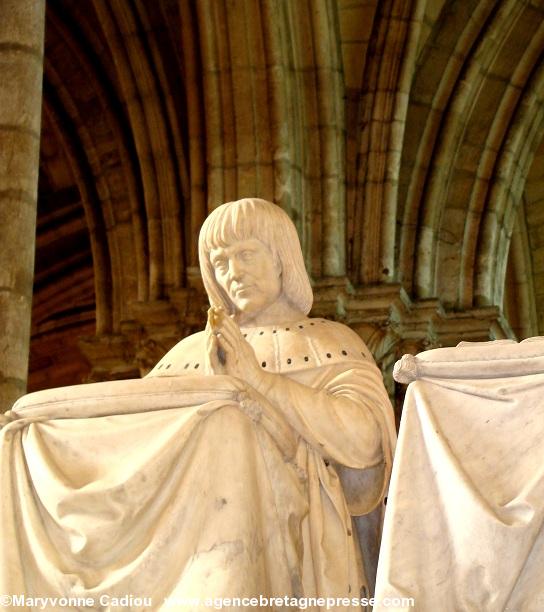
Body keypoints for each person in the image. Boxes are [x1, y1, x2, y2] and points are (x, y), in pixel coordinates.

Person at [0, 198, 395, 609]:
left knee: (227, 420)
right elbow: (138, 439)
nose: (233, 272)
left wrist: (260, 383)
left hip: (297, 534)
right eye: (220, 262)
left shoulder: (329, 341)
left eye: (246, 254)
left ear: (281, 257)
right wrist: (46, 430)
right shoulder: (187, 352)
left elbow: (366, 442)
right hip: (193, 540)